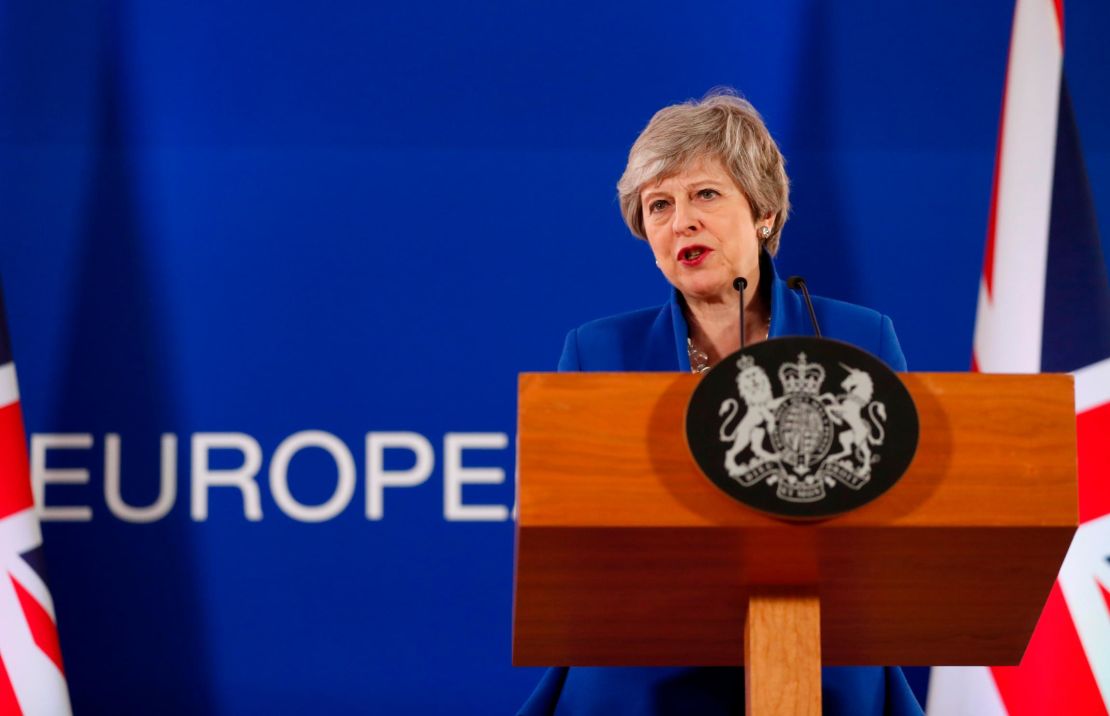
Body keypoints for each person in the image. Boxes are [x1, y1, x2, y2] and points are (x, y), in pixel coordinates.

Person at [517, 90, 922, 715]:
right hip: (642, 656)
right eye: (659, 206)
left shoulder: (858, 339)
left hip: (818, 643)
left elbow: (901, 520)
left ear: (762, 212)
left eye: (705, 194)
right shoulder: (598, 351)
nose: (681, 221)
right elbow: (568, 542)